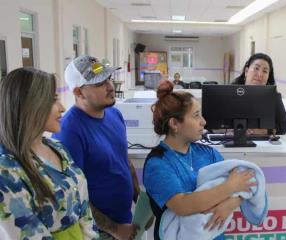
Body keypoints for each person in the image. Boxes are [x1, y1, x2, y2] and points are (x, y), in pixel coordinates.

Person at [143, 80, 256, 240]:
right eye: (196, 115)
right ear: (174, 123)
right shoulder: (158, 164)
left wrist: (230, 204)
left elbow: (243, 184)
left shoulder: (207, 153)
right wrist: (230, 187)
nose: (203, 121)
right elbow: (183, 205)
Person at [0, 68, 98, 239]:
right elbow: (25, 233)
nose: (62, 107)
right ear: (29, 105)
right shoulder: (6, 171)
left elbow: (84, 212)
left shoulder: (58, 148)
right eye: (53, 100)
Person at [52, 56, 141, 239]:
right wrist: (115, 230)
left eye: (109, 78)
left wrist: (139, 202)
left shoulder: (114, 114)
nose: (110, 86)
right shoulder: (68, 131)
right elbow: (74, 195)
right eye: (100, 83)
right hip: (98, 231)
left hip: (125, 222)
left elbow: (124, 160)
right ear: (79, 92)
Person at [233, 53, 286, 135]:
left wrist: (256, 131)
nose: (260, 74)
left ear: (268, 77)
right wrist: (231, 130)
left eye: (265, 71)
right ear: (246, 71)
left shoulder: (274, 97)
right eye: (256, 68)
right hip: (231, 142)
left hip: (262, 145)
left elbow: (283, 127)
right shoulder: (231, 92)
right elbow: (213, 126)